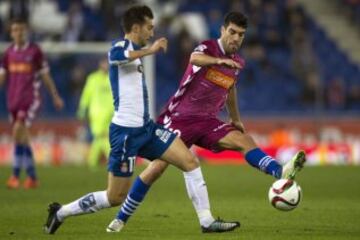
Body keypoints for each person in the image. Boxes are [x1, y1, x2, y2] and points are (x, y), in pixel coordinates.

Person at [43, 5, 239, 235]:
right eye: (149, 27)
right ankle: (61, 212)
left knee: (190, 162)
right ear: (136, 27)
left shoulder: (135, 53)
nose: (152, 32)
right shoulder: (120, 47)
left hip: (147, 129)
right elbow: (116, 57)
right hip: (125, 133)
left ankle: (207, 221)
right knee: (114, 197)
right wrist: (151, 50)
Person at [113, 11, 307, 232]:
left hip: (206, 122)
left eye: (241, 35)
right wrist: (218, 60)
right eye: (232, 32)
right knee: (157, 168)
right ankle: (120, 219)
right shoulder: (207, 48)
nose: (236, 38)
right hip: (179, 118)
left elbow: (230, 88)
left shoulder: (236, 62)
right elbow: (194, 59)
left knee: (245, 140)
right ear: (223, 30)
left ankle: (279, 172)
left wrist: (236, 119)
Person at [0, 18, 64, 189]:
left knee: (17, 132)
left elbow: (45, 76)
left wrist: (55, 96)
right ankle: (32, 177)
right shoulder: (8, 54)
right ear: (11, 32)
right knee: (22, 138)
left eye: (21, 29)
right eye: (15, 30)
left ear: (26, 31)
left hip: (30, 99)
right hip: (13, 100)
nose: (18, 33)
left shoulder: (35, 51)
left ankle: (14, 176)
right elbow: (2, 76)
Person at [77, 58, 112, 169]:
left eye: (107, 63)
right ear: (100, 64)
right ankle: (112, 160)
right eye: (104, 63)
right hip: (96, 113)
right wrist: (82, 108)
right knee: (101, 137)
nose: (105, 65)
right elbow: (86, 94)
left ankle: (92, 163)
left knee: (101, 137)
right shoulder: (93, 78)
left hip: (110, 113)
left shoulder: (113, 78)